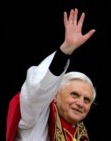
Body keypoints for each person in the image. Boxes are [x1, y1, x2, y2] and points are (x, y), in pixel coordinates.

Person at [6, 8, 96, 141]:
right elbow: (38, 92)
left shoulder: (80, 135)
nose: (80, 103)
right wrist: (65, 50)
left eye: (87, 100)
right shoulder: (36, 116)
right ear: (54, 95)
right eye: (74, 94)